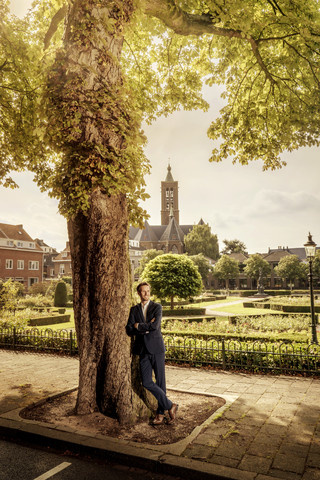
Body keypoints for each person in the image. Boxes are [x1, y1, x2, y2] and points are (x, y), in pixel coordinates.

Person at [126, 282, 178, 425]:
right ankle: (170, 405)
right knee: (147, 382)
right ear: (138, 293)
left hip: (157, 349)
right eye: (143, 291)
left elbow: (155, 326)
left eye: (148, 291)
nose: (146, 294)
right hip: (142, 351)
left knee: (161, 382)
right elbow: (129, 329)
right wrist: (145, 327)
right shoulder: (134, 310)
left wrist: (139, 326)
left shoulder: (157, 307)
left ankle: (160, 414)